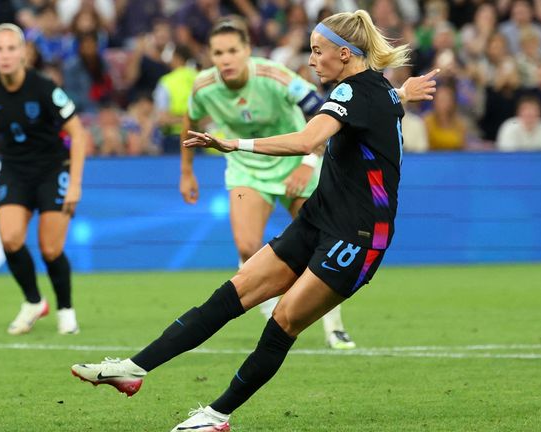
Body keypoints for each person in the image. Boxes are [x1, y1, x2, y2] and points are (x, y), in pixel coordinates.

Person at [71, 10, 438, 431]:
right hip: (319, 218)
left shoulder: (353, 93)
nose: (311, 59)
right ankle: (133, 368)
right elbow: (382, 101)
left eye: (317, 51)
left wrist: (235, 144)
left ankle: (215, 416)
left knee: (283, 320)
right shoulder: (379, 90)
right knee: (232, 293)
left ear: (344, 53)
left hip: (358, 236)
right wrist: (404, 92)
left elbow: (307, 140)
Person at [178, 16, 422, 349]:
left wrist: (309, 163)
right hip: (248, 166)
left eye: (233, 50)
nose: (226, 59)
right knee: (247, 247)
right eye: (218, 53)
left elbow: (327, 112)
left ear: (248, 51)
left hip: (296, 161)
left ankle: (333, 325)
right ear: (210, 55)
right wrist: (186, 171)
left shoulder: (275, 76)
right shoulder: (203, 87)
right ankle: (270, 311)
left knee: (326, 240)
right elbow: (189, 121)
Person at [0, 23, 88, 336]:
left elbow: (78, 134)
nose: (5, 55)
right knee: (10, 239)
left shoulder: (44, 87)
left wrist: (75, 183)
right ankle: (34, 302)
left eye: (11, 49)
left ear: (24, 53)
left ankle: (65, 309)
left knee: (50, 249)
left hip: (52, 170)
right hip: (14, 170)